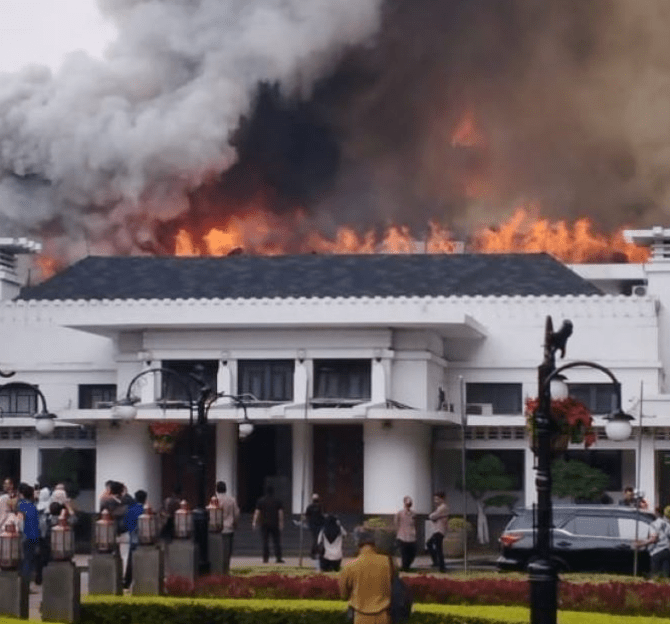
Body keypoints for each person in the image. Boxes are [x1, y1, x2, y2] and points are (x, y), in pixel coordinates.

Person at [339, 527, 393, 624]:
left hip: (360, 617)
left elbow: (343, 594)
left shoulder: (349, 566)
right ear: (374, 542)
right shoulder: (387, 561)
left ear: (357, 543)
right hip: (383, 616)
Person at [252, 485, 285, 563]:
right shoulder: (277, 501)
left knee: (265, 541)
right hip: (275, 523)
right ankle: (278, 558)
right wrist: (281, 523)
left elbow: (257, 512)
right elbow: (280, 513)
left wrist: (254, 522)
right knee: (276, 541)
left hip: (264, 524)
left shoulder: (261, 500)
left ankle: (265, 558)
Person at [635, 506, 670, 578]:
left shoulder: (654, 524)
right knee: (665, 578)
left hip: (656, 552)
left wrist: (640, 544)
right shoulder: (668, 525)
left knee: (655, 576)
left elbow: (653, 539)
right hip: (667, 552)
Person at [123, 489, 147, 589]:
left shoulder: (130, 509)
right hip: (143, 539)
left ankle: (127, 581)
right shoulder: (145, 510)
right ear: (145, 499)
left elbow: (126, 522)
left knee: (131, 561)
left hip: (132, 537)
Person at [17, 482, 39, 588]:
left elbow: (20, 522)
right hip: (32, 536)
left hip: (24, 536)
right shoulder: (32, 506)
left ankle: (24, 585)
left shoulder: (20, 505)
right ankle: (26, 585)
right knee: (28, 561)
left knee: (24, 561)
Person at [215, 481, 240, 574]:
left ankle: (218, 570)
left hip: (217, 529)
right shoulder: (231, 500)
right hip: (228, 528)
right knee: (227, 552)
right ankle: (226, 570)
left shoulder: (215, 500)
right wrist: (235, 523)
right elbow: (236, 513)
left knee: (217, 552)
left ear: (217, 489)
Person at [426, 491, 449, 573]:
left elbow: (433, 516)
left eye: (437, 499)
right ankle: (437, 562)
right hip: (437, 530)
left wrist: (431, 516)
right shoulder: (440, 507)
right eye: (435, 499)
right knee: (430, 543)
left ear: (442, 499)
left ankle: (441, 566)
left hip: (440, 530)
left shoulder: (443, 507)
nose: (435, 501)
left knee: (438, 548)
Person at [394, 495, 417, 572]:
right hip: (402, 536)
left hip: (411, 536)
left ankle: (407, 566)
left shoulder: (413, 514)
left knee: (412, 553)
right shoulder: (400, 513)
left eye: (410, 503)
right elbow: (396, 523)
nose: (409, 505)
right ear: (404, 503)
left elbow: (415, 524)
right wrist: (398, 533)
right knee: (404, 553)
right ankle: (404, 568)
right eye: (407, 503)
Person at [304, 493, 326, 562]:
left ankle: (315, 553)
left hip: (313, 525)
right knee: (318, 539)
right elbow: (322, 515)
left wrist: (308, 523)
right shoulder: (320, 507)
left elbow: (307, 516)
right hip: (319, 525)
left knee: (316, 539)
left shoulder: (310, 507)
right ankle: (315, 552)